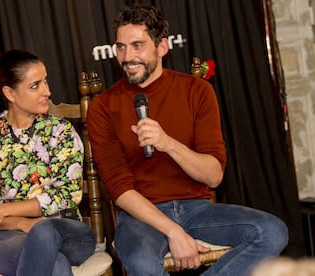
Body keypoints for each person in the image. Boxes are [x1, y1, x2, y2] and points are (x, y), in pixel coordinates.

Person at [87, 4, 288, 276]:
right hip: (140, 217)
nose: (127, 57)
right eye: (120, 47)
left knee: (272, 232)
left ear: (162, 47)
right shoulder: (103, 106)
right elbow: (119, 189)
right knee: (143, 263)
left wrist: (167, 143)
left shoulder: (197, 90)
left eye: (137, 45)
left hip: (197, 211)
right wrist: (173, 231)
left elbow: (214, 176)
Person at [0, 49, 95, 276]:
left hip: (67, 231)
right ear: (10, 93)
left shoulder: (60, 132)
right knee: (55, 266)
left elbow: (67, 195)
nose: (47, 91)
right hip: (8, 236)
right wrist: (20, 222)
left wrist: (4, 209)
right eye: (35, 86)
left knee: (44, 232)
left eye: (45, 81)